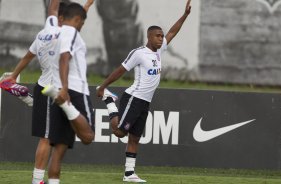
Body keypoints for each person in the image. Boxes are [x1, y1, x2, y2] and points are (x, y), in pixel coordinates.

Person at [97, 0, 192, 182]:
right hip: (134, 97)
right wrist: (103, 86)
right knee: (119, 132)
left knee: (135, 137)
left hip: (145, 102)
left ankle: (129, 174)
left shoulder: (159, 50)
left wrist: (185, 15)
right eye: (158, 36)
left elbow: (173, 31)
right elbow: (120, 70)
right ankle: (109, 102)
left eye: (161, 36)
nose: (161, 38)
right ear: (149, 37)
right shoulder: (139, 53)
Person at [0, 1, 95, 184]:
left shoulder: (46, 30)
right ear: (68, 18)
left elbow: (29, 54)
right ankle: (37, 181)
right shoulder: (64, 33)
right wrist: (87, 5)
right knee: (48, 138)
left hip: (43, 84)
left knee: (55, 142)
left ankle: (28, 99)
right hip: (56, 88)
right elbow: (66, 54)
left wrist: (14, 75)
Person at [41, 2, 95, 184]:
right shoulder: (71, 32)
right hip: (74, 89)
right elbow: (65, 57)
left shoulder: (54, 31)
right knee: (88, 137)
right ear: (78, 20)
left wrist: (86, 6)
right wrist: (65, 91)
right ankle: (65, 104)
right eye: (82, 23)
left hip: (57, 88)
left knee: (59, 147)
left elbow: (53, 9)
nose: (82, 27)